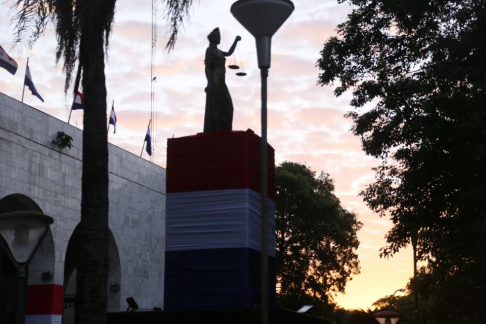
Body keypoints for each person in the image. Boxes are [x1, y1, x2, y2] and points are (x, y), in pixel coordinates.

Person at [204, 28, 241, 132]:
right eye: (218, 37)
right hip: (215, 79)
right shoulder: (210, 50)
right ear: (213, 38)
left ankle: (224, 127)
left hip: (221, 79)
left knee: (228, 105)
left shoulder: (218, 51)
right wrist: (210, 83)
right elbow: (207, 67)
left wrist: (236, 41)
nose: (220, 38)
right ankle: (218, 127)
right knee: (219, 105)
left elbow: (229, 53)